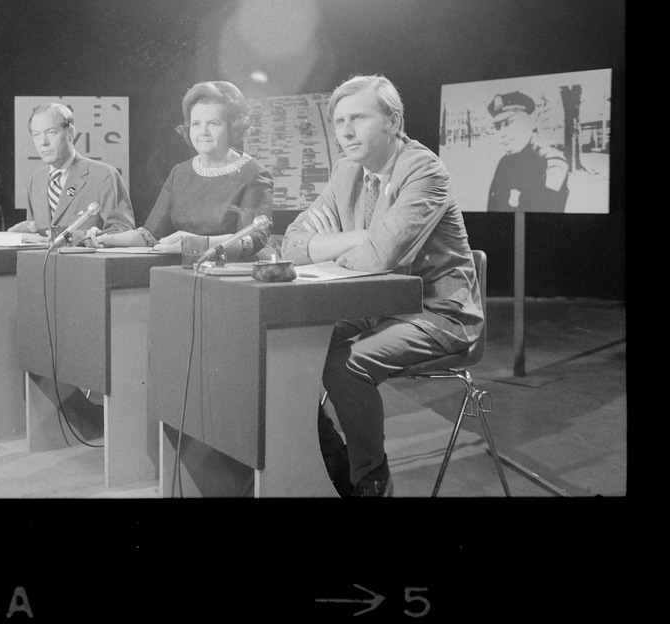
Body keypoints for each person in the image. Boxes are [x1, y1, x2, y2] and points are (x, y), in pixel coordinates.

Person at [281, 74, 483, 497]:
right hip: (373, 305)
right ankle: (330, 462)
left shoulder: (424, 169)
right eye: (339, 121)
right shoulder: (346, 171)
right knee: (286, 347)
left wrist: (336, 247)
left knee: (342, 362)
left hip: (438, 313)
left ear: (392, 121)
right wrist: (358, 238)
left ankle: (371, 480)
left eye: (359, 118)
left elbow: (381, 256)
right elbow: (293, 243)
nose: (346, 131)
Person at [88, 81, 273, 261]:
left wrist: (196, 243)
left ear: (233, 127)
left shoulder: (254, 173)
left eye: (213, 123)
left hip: (235, 278)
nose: (203, 132)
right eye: (196, 124)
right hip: (182, 274)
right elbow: (150, 235)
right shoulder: (179, 173)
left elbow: (253, 239)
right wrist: (106, 239)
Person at [8, 102, 135, 241]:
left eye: (51, 132)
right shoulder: (36, 179)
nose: (43, 142)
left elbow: (124, 230)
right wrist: (28, 233)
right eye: (36, 134)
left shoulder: (104, 175)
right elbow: (41, 236)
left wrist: (84, 236)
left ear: (70, 133)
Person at [486, 91, 569, 212]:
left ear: (529, 123)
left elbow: (546, 216)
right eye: (498, 127)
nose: (502, 133)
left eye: (509, 123)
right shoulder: (504, 162)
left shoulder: (552, 162)